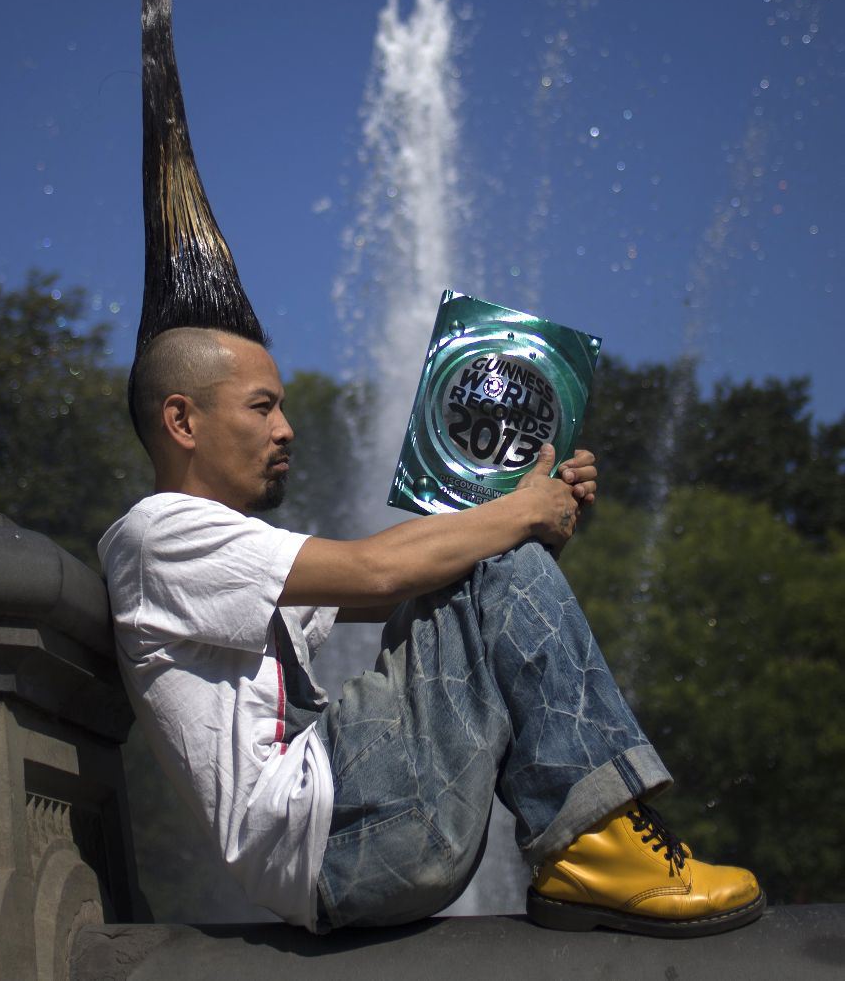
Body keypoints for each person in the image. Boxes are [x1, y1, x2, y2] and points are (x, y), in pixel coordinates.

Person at [99, 325, 765, 939]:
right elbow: (379, 571)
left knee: (490, 561)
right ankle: (598, 845)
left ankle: (597, 850)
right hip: (335, 833)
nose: (286, 430)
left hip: (354, 839)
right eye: (261, 407)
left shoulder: (217, 550)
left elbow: (432, 591)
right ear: (182, 420)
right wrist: (520, 518)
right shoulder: (157, 534)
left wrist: (528, 525)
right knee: (495, 554)